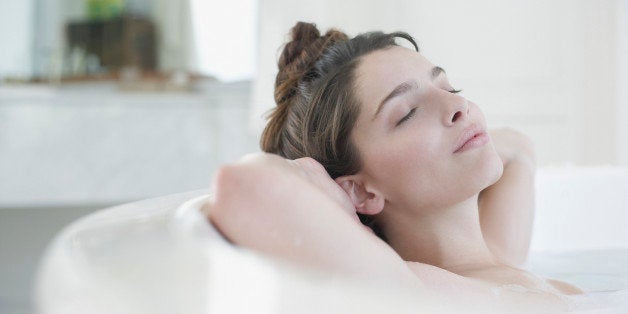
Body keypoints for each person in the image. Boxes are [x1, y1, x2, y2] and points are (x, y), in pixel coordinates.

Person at [205, 21, 582, 310]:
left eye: (449, 89)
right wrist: (334, 195)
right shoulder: (416, 292)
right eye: (408, 113)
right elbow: (242, 185)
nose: (458, 108)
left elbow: (519, 148)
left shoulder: (498, 260)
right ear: (361, 189)